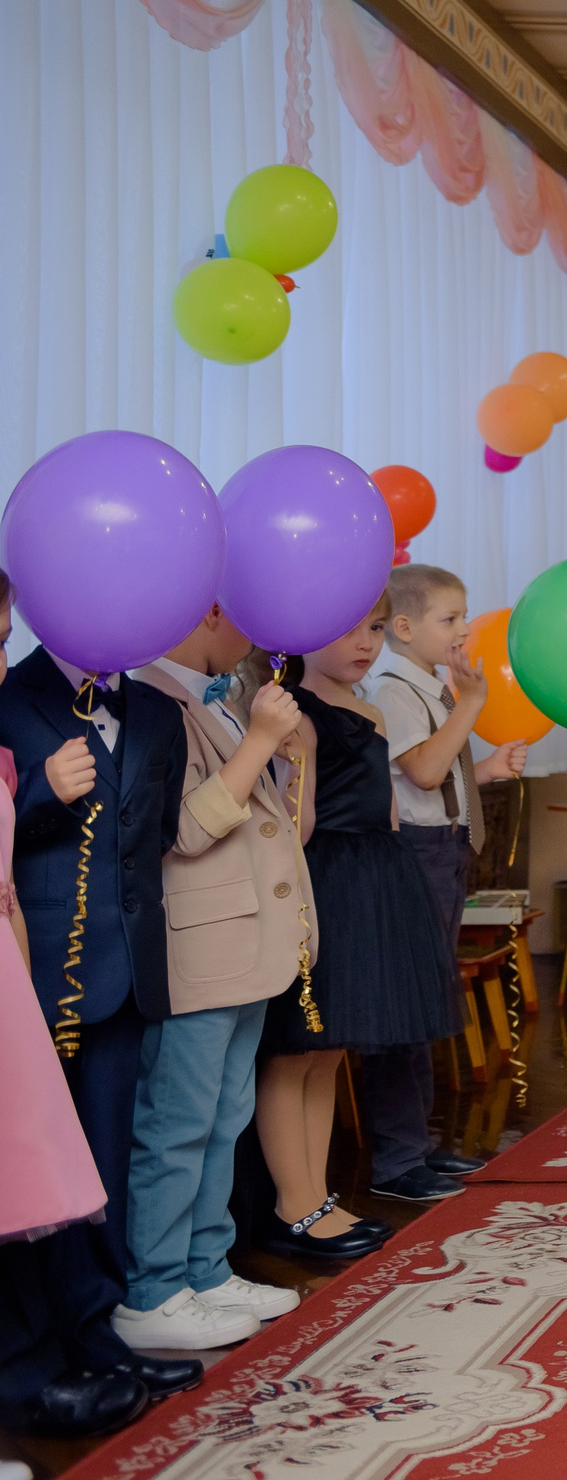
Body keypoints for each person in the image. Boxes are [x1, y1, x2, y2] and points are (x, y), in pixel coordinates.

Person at [0, 570, 209, 1426]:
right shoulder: (14, 697)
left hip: (124, 970)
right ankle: (41, 1346)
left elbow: (154, 836)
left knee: (101, 1161)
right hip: (35, 969)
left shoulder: (158, 712)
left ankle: (97, 1328)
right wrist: (47, 787)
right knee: (33, 1173)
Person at [114, 606, 318, 1350]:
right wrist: (259, 740)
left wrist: (279, 750)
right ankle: (154, 1287)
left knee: (223, 1119)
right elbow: (185, 827)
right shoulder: (152, 701)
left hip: (248, 945)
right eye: (243, 611)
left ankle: (206, 1265)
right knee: (177, 1125)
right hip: (200, 949)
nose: (259, 627)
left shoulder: (225, 696)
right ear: (206, 615)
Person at [253, 597, 454, 1258]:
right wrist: (292, 759)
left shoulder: (366, 709)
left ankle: (318, 1197)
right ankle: (296, 1203)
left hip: (371, 880)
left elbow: (388, 810)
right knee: (296, 1049)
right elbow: (297, 824)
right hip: (323, 884)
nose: (365, 641)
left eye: (372, 628)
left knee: (329, 1049)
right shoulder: (298, 715)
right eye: (347, 626)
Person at [358, 564, 528, 1202]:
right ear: (403, 628)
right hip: (417, 853)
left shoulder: (426, 686)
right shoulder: (393, 690)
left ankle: (418, 1146)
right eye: (449, 620)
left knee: (428, 1001)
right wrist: (474, 703)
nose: (462, 632)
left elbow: (439, 774)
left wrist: (482, 771)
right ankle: (398, 1157)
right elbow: (425, 772)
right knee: (409, 1001)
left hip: (443, 846)